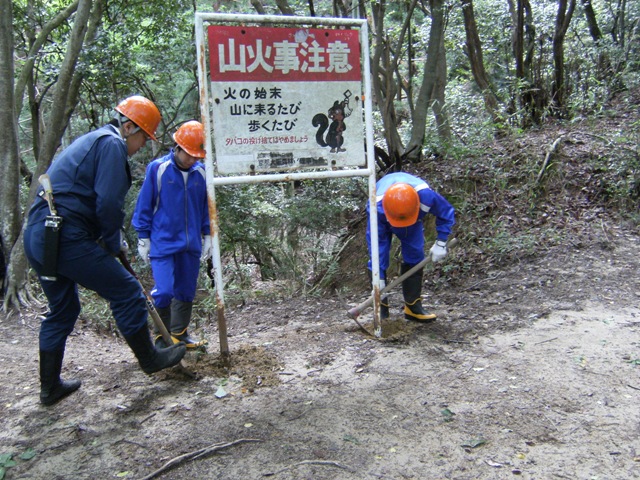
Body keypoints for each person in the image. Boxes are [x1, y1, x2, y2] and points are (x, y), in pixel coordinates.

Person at [24, 95, 187, 407]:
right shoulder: (111, 144)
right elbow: (108, 203)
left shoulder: (94, 141)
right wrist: (112, 242)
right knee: (127, 291)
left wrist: (108, 240)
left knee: (64, 309)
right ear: (128, 127)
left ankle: (50, 389)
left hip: (40, 236)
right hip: (64, 236)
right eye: (142, 138)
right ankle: (150, 359)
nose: (141, 146)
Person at [132, 120, 211, 350]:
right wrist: (143, 237)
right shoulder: (158, 169)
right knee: (164, 291)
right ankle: (161, 338)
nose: (192, 159)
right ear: (177, 147)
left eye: (196, 155)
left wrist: (208, 235)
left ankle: (180, 335)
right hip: (163, 243)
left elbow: (206, 206)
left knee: (186, 291)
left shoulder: (201, 172)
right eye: (188, 154)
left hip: (191, 244)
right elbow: (145, 203)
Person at [366, 171, 456, 322]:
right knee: (378, 259)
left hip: (412, 219)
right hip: (384, 216)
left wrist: (441, 242)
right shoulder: (376, 208)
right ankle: (381, 309)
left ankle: (413, 306)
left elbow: (446, 213)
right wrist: (378, 278)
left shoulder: (426, 197)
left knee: (415, 255)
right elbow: (375, 246)